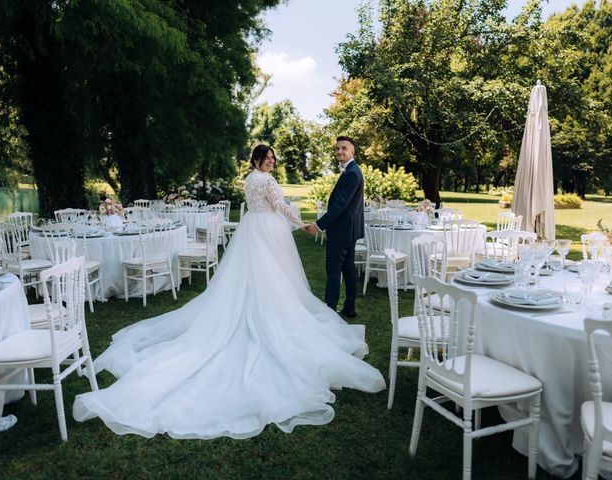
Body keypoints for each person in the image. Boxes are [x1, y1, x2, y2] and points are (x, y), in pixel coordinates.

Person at [73, 144, 385, 439]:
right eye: (269, 159)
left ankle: (254, 309)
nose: (272, 162)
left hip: (252, 227)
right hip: (268, 230)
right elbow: (280, 205)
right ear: (258, 161)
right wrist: (302, 222)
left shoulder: (250, 179)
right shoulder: (267, 181)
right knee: (274, 277)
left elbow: (263, 203)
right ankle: (270, 316)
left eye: (273, 159)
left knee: (253, 276)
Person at [304, 137, 364, 318]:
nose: (339, 151)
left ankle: (330, 310)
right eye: (337, 149)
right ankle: (349, 308)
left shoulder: (352, 173)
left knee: (333, 269)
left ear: (352, 152)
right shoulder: (351, 171)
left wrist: (318, 225)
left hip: (342, 231)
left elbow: (340, 205)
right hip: (349, 230)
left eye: (344, 148)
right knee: (348, 269)